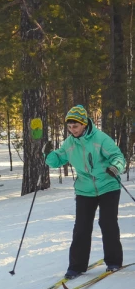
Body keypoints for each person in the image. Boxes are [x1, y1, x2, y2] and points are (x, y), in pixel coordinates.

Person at [44, 105, 126, 279]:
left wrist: (115, 167)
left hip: (108, 186)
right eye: (69, 127)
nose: (72, 130)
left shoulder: (100, 139)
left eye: (75, 126)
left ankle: (114, 262)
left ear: (84, 124)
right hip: (84, 189)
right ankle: (76, 266)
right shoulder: (69, 143)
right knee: (81, 227)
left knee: (107, 223)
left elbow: (118, 157)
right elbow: (58, 159)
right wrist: (48, 154)